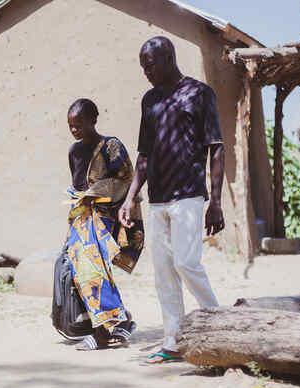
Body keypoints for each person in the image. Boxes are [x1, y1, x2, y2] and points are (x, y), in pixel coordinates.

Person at [118, 36, 225, 364]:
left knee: (186, 263)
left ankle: (221, 328)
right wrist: (130, 197)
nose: (145, 72)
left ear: (167, 58)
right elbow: (145, 155)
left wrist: (216, 201)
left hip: (189, 196)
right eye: (142, 66)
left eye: (149, 65)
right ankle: (173, 341)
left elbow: (216, 147)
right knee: (163, 272)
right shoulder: (149, 100)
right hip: (158, 199)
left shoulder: (199, 93)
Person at [65, 98, 145, 351]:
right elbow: (78, 186)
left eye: (79, 124)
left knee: (93, 269)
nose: (74, 130)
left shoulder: (112, 146)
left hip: (110, 217)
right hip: (83, 218)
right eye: (70, 125)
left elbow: (126, 181)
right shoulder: (74, 151)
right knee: (82, 270)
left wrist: (96, 192)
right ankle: (118, 320)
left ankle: (103, 331)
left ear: (93, 120)